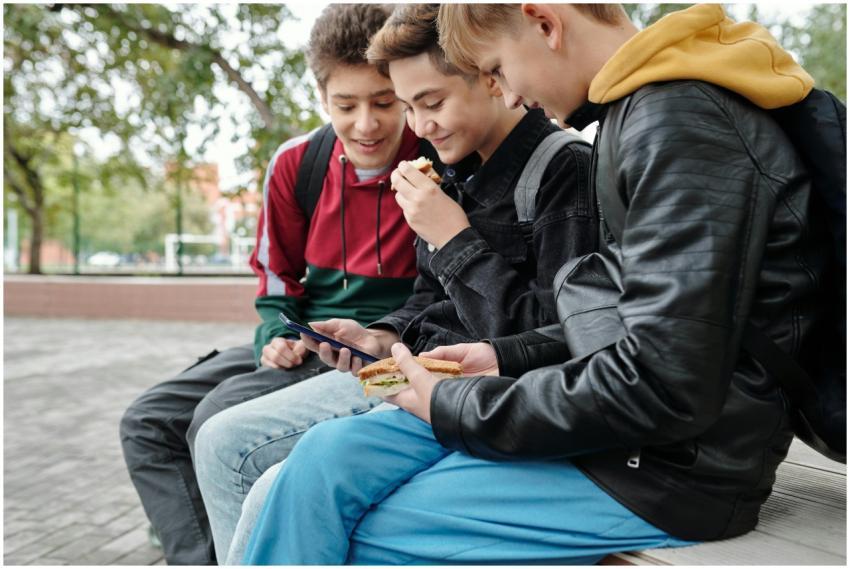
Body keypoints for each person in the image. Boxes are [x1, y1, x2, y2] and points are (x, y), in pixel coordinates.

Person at [240, 3, 829, 564]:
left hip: (667, 472)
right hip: (619, 435)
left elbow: (663, 385)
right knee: (321, 461)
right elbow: (637, 323)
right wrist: (499, 358)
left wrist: (458, 401)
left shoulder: (677, 125)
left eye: (496, 68)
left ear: (544, 23)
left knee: (347, 526)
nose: (511, 93)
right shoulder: (645, 114)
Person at [192, 3, 598, 563]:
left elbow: (563, 338)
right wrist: (379, 337)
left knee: (245, 464)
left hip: (479, 395)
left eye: (430, 103)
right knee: (216, 437)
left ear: (491, 76)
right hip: (411, 371)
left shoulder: (563, 171)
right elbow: (430, 300)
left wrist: (455, 240)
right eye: (407, 107)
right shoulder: (452, 170)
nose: (418, 128)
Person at [118, 4, 421, 564]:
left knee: (215, 422)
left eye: (384, 103)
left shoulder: (433, 158)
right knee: (148, 422)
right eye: (345, 106)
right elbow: (275, 276)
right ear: (320, 97)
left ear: (403, 91)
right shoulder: (297, 163)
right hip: (299, 338)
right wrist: (272, 337)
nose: (366, 124)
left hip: (374, 346)